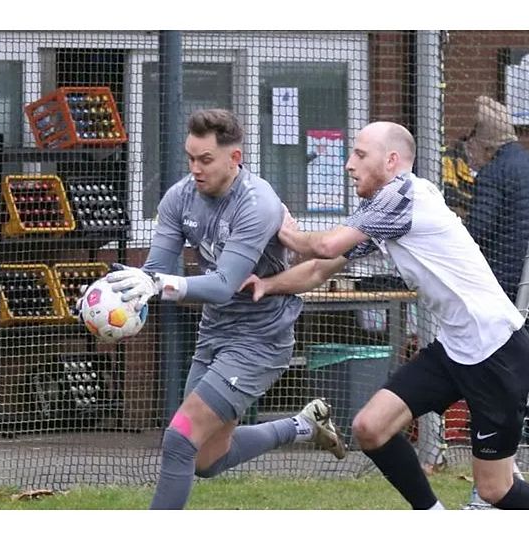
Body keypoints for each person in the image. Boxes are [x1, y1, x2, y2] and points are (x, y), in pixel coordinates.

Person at [241, 121, 529, 510]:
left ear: (391, 160)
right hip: (455, 349)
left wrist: (284, 228)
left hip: (496, 352)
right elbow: (319, 269)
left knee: (496, 489)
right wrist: (266, 285)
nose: (348, 164)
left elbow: (325, 246)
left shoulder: (403, 195)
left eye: (360, 154)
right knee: (369, 428)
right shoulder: (383, 210)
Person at [103, 108, 347, 510]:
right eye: (190, 158)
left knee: (179, 438)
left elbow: (221, 286)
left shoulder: (257, 203)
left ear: (234, 158)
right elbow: (155, 272)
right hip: (214, 333)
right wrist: (114, 293)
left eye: (205, 160)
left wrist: (158, 284)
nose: (195, 169)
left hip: (260, 341)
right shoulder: (180, 198)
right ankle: (301, 425)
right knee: (205, 459)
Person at [465, 96, 529, 444]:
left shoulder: (493, 173)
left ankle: (501, 422)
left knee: (497, 353)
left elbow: (478, 230)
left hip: (500, 277)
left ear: (484, 140)